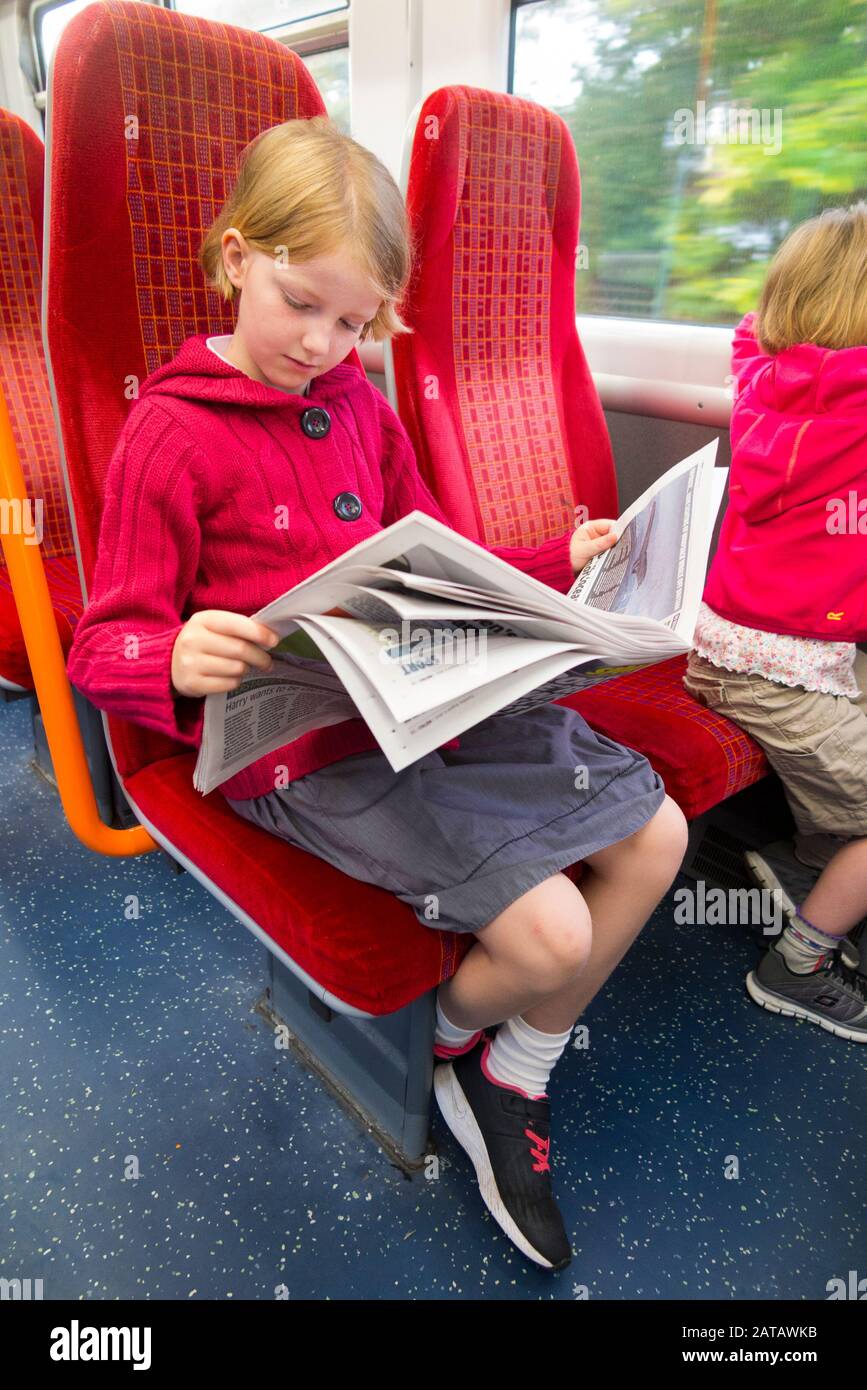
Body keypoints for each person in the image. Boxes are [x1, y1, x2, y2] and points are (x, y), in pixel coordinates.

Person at [67, 117, 688, 1272]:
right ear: (238, 255)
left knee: (661, 832)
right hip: (306, 753)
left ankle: (513, 1070)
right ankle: (439, 1041)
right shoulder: (169, 433)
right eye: (303, 301)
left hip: (425, 699)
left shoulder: (360, 401)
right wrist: (172, 660)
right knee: (551, 932)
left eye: (354, 321)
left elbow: (441, 560)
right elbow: (100, 646)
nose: (324, 342)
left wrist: (565, 566)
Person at [683, 202, 867, 1042]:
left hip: (733, 644)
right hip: (779, 669)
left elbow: (749, 331)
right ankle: (796, 963)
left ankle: (809, 864)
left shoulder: (760, 379)